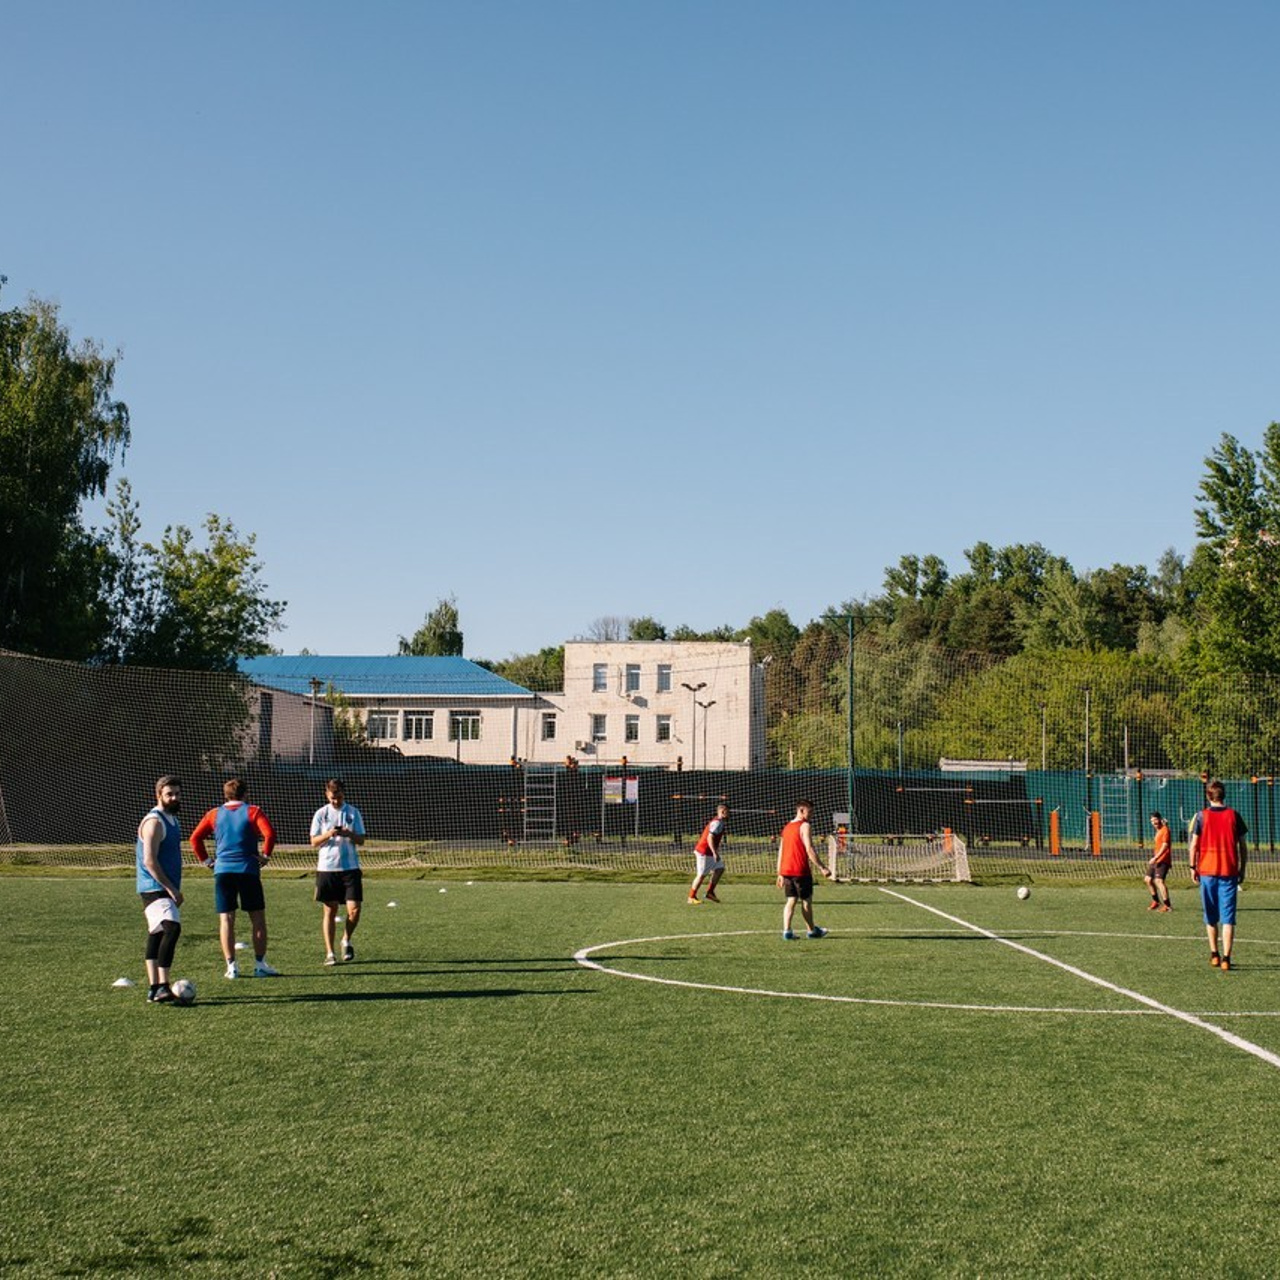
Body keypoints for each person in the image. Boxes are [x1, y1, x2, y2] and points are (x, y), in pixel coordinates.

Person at [191, 778, 280, 978]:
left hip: (223, 870)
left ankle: (231, 967)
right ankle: (260, 965)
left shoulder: (214, 814)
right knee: (257, 918)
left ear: (226, 795)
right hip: (248, 870)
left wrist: (207, 861)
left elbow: (195, 838)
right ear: (245, 794)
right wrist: (265, 855)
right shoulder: (253, 811)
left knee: (226, 919)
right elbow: (270, 834)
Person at [1188, 779, 1248, 971]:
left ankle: (1214, 954)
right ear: (1224, 795)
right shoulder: (1234, 815)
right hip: (1229, 872)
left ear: (1208, 796)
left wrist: (1192, 867)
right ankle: (1226, 958)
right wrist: (1242, 868)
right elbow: (1243, 846)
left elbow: (1194, 845)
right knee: (1228, 917)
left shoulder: (1201, 816)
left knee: (1210, 915)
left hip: (1207, 871)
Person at [136, 775, 185, 1003]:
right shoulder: (154, 822)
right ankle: (163, 985)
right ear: (158, 795)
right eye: (169, 794)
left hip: (163, 886)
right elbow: (149, 861)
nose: (174, 798)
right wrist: (171, 888)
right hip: (154, 887)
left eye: (177, 793)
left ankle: (154, 988)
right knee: (171, 928)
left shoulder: (172, 820)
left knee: (157, 933)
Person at [310, 778, 367, 965]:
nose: (336, 801)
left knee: (354, 910)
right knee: (330, 910)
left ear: (344, 793)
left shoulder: (353, 812)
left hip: (350, 868)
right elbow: (313, 841)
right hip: (327, 868)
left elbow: (361, 840)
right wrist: (329, 834)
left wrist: (348, 833)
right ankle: (330, 953)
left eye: (339, 797)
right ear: (327, 794)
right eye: (332, 797)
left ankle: (346, 939)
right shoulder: (321, 813)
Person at [776, 799, 835, 940]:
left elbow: (781, 851)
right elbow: (809, 849)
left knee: (791, 900)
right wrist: (822, 867)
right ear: (801, 810)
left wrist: (779, 873)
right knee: (806, 901)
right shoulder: (805, 826)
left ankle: (787, 931)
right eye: (810, 812)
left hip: (786, 870)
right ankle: (811, 931)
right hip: (800, 870)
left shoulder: (787, 826)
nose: (812, 815)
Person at [688, 802, 729, 904]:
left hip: (709, 852)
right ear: (722, 811)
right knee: (701, 875)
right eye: (727, 812)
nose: (729, 814)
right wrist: (715, 852)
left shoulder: (720, 822)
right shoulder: (717, 823)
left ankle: (710, 892)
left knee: (719, 869)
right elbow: (710, 838)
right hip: (704, 852)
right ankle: (691, 897)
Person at [1144, 811, 1173, 911]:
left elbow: (1165, 846)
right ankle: (1156, 901)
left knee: (1158, 881)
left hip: (1163, 860)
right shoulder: (1159, 830)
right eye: (1152, 821)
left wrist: (1155, 858)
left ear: (1160, 819)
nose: (1154, 822)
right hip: (1156, 860)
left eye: (1155, 820)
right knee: (1147, 879)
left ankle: (1167, 906)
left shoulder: (1165, 830)